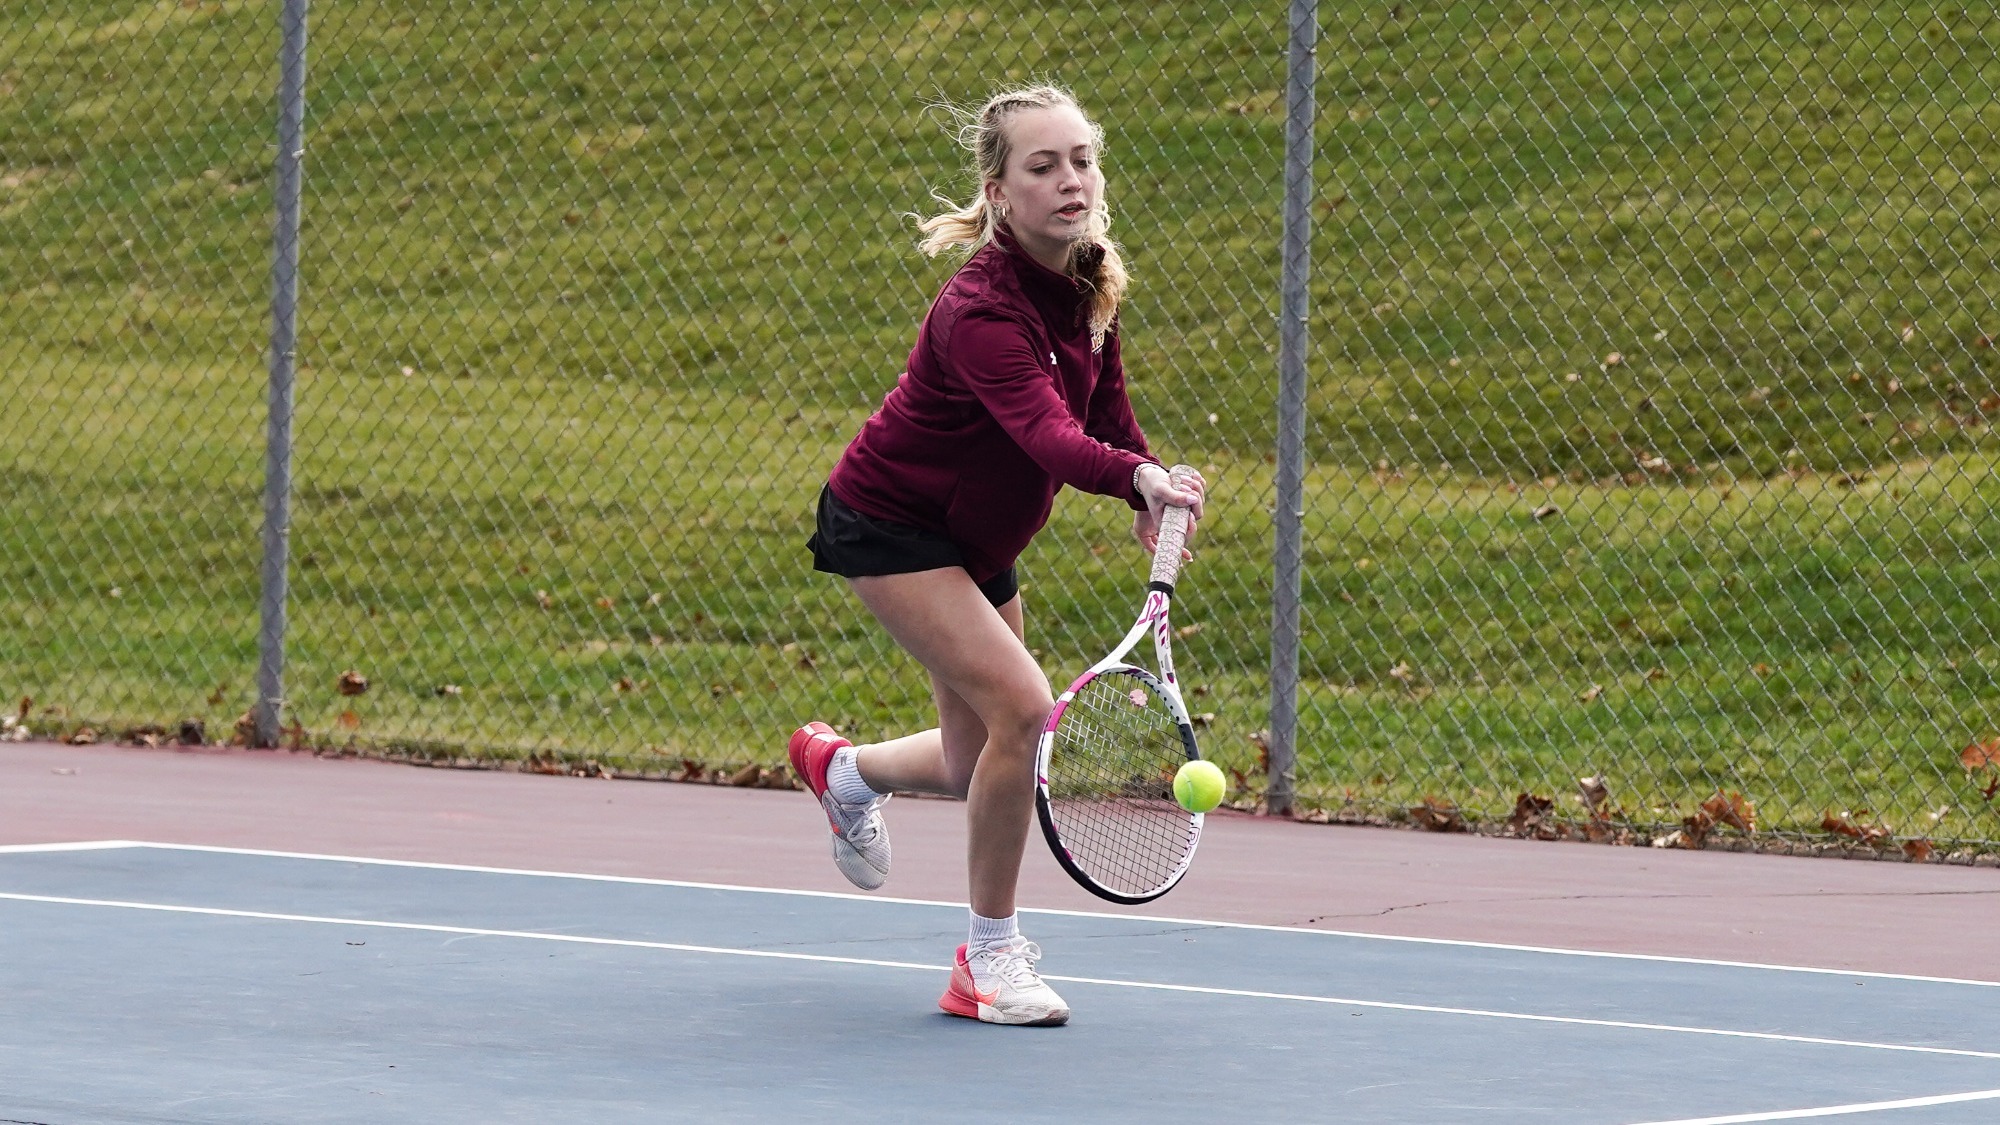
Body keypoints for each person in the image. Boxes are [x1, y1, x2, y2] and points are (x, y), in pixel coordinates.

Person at [792, 84, 1205, 1027]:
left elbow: (1105, 416)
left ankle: (844, 771)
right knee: (1025, 710)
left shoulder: (1089, 278)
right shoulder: (978, 310)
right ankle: (987, 959)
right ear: (1000, 191)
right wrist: (1132, 482)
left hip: (976, 538)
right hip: (891, 524)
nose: (1070, 181)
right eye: (1043, 166)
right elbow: (1048, 435)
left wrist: (1147, 474)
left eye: (1082, 161)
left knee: (979, 753)